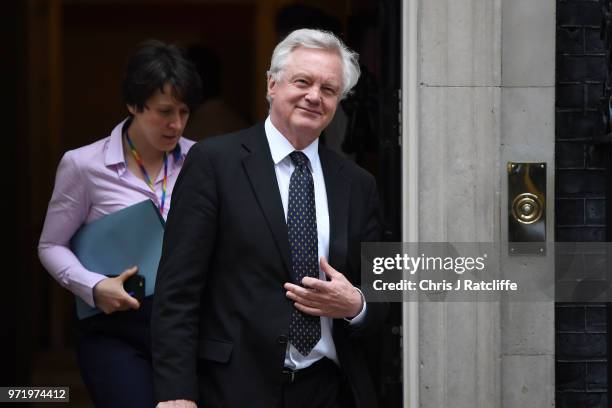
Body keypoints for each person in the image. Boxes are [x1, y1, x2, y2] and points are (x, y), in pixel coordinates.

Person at [152, 29, 387, 408]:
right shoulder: (215, 163)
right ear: (272, 85)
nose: (314, 96)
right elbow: (177, 290)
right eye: (302, 82)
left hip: (329, 389)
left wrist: (356, 304)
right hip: (234, 388)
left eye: (328, 90)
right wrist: (176, 393)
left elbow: (383, 293)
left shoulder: (358, 185)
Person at [38, 39, 201, 407]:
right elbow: (50, 246)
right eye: (164, 111)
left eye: (184, 111)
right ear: (133, 104)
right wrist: (94, 287)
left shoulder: (202, 161)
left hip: (185, 325)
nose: (175, 124)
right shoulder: (84, 165)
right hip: (114, 323)